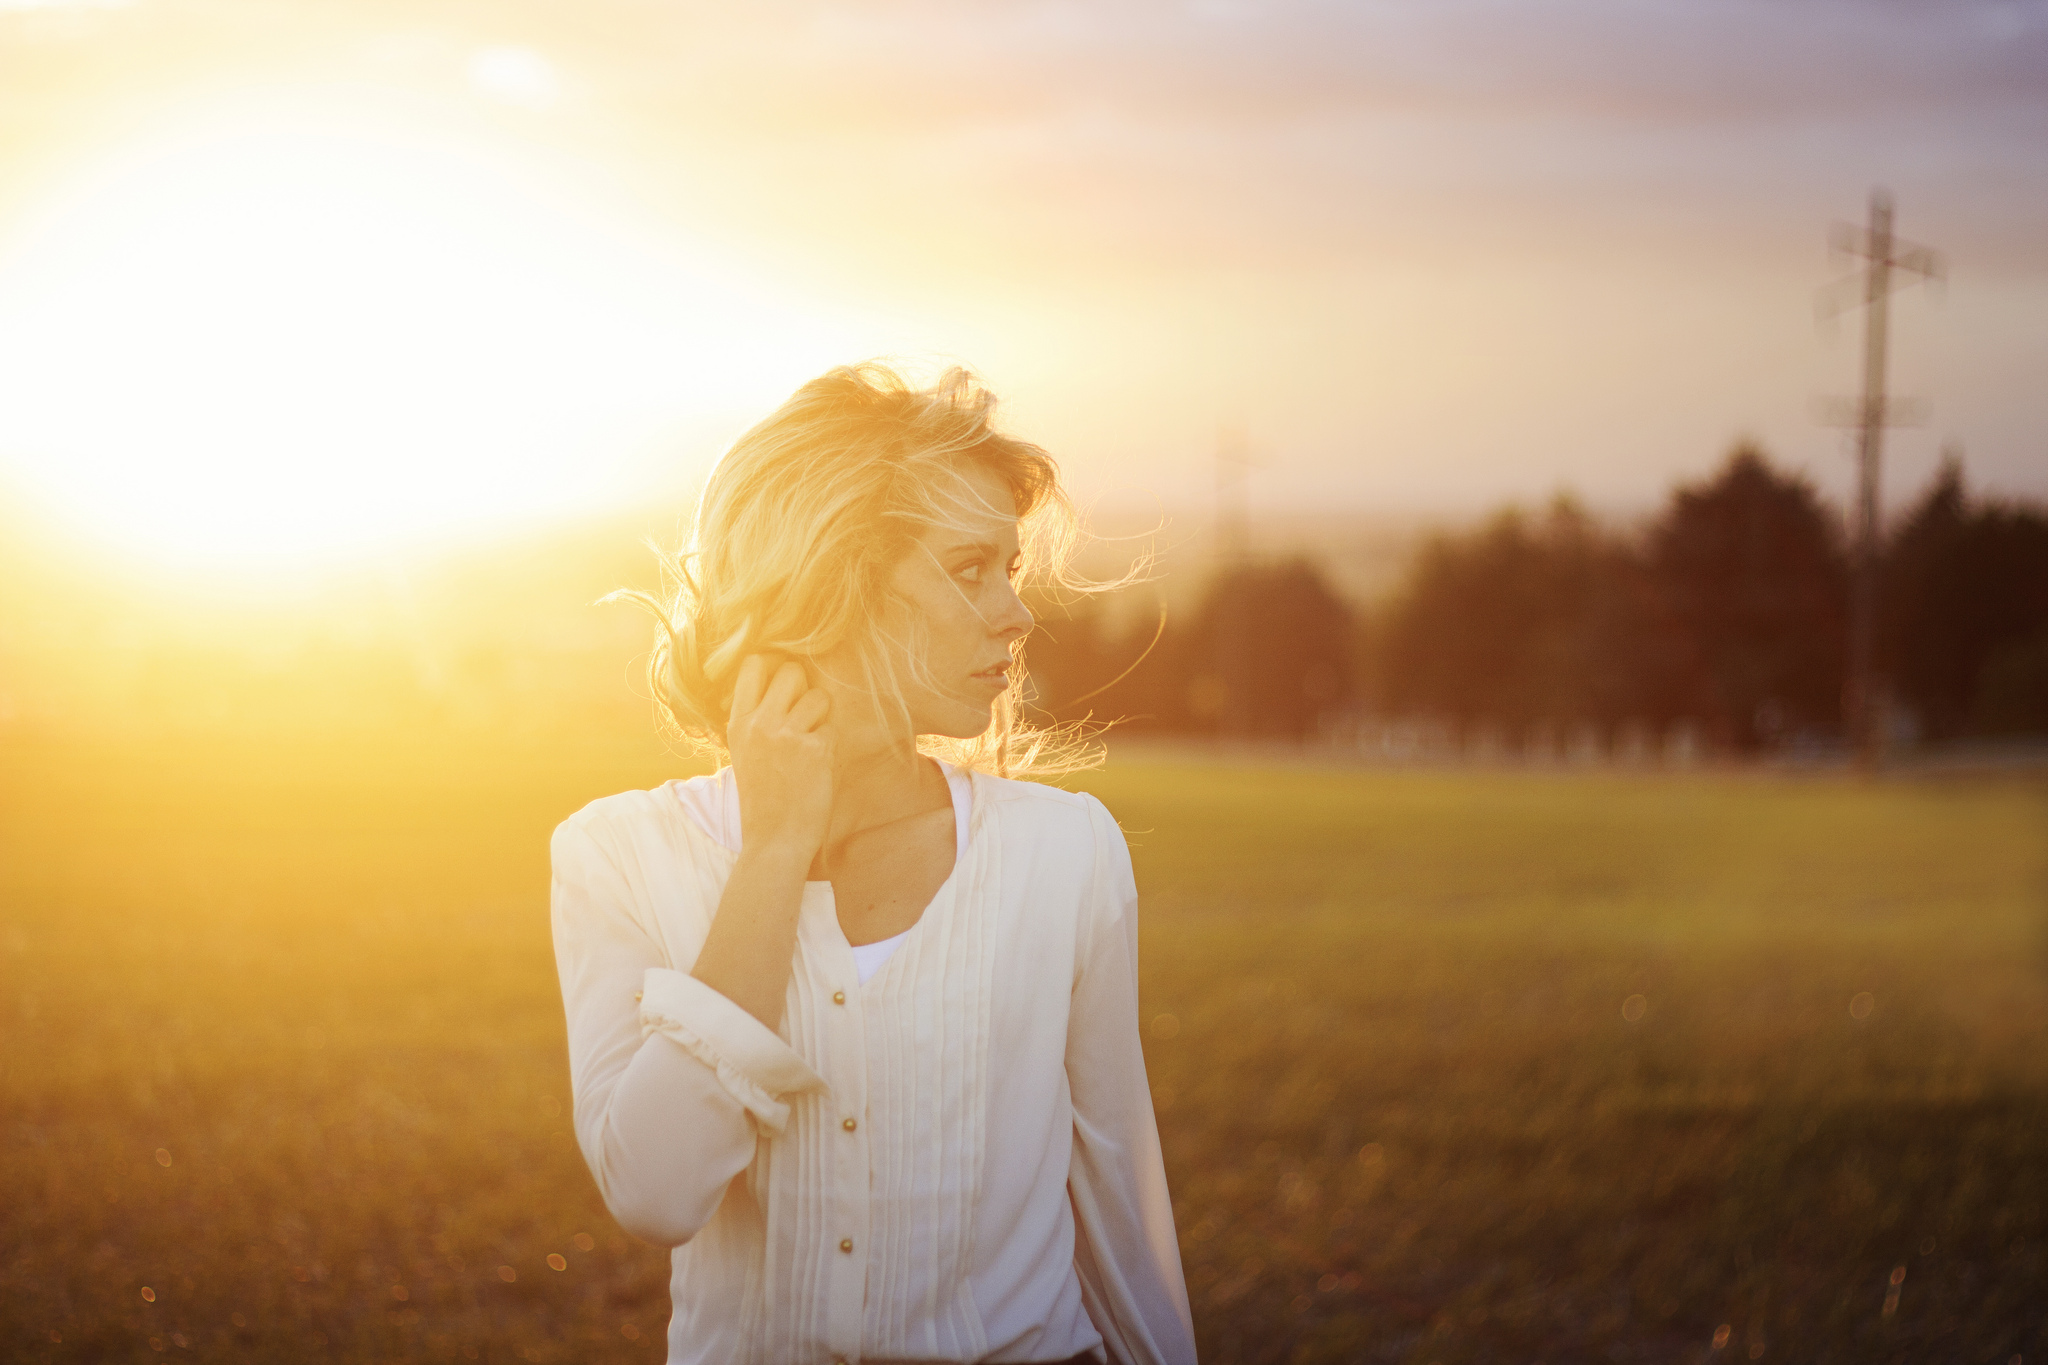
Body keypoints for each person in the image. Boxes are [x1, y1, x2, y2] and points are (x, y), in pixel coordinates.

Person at [549, 363, 1197, 1365]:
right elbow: (656, 1191)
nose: (1015, 618)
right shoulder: (620, 856)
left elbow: (1120, 1204)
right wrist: (773, 852)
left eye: (1009, 571)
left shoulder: (1064, 854)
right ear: (831, 584)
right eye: (968, 568)